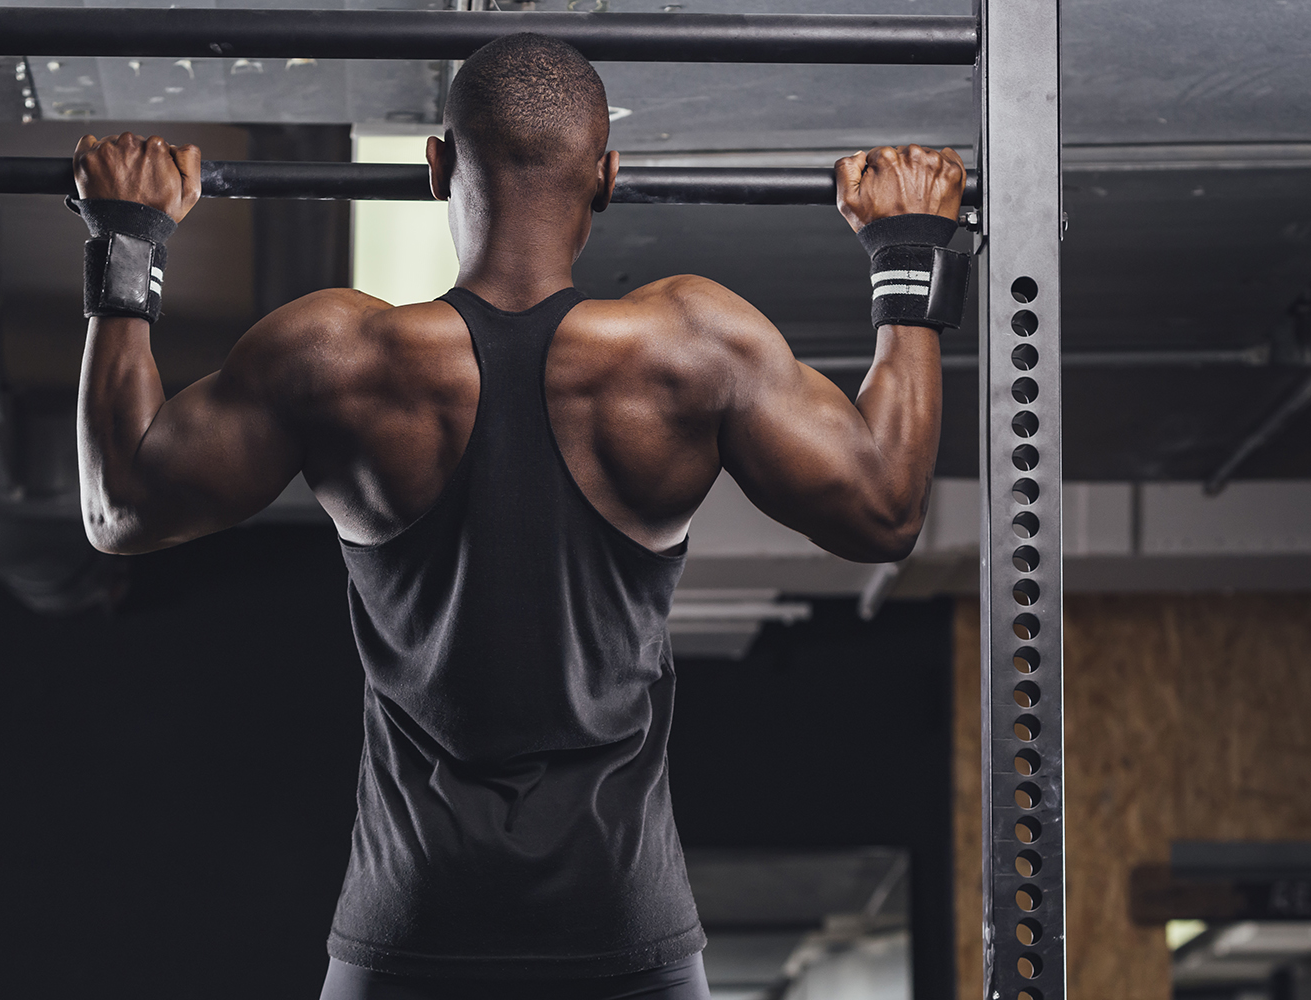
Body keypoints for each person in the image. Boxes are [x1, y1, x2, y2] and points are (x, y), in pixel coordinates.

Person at [68, 31, 965, 1000]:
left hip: (409, 929)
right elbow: (886, 510)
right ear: (608, 177)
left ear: (438, 165)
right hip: (626, 930)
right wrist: (905, 253)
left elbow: (120, 505)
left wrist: (130, 241)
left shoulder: (338, 356)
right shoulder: (694, 348)